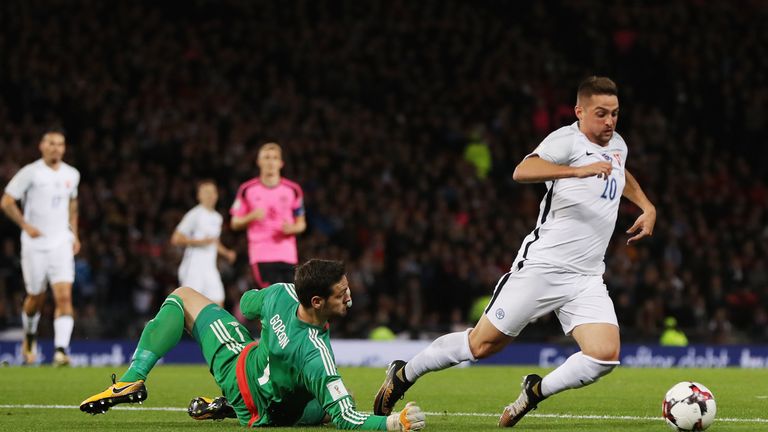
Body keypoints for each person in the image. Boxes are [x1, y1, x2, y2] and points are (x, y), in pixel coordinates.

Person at [373, 76, 657, 428]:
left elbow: (621, 170)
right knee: (480, 346)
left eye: (615, 114)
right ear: (580, 111)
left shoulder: (617, 144)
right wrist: (576, 172)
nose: (610, 122)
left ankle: (536, 391)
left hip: (586, 276)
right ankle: (403, 374)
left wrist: (646, 205)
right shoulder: (565, 140)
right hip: (541, 267)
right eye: (601, 114)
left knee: (604, 355)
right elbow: (523, 170)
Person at [80, 259, 426, 431]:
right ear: (318, 301)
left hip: (241, 362)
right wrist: (396, 423)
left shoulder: (281, 293)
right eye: (342, 293)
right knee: (326, 406)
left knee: (182, 297)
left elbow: (246, 304)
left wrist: (267, 314)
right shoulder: (315, 356)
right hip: (259, 401)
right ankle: (231, 404)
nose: (350, 295)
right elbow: (346, 417)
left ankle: (134, 376)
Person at [1, 130, 81, 366]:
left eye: (60, 144)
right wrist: (25, 225)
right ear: (42, 146)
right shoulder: (31, 172)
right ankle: (30, 335)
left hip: (61, 243)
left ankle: (61, 351)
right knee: (36, 297)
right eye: (51, 144)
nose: (56, 148)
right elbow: (6, 201)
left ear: (64, 148)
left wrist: (74, 234)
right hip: (35, 245)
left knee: (64, 296)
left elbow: (72, 204)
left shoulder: (72, 174)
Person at [230, 142, 306, 288]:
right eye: (266, 157)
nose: (270, 162)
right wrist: (251, 216)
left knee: (291, 297)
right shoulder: (247, 189)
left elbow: (301, 223)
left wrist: (292, 228)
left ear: (281, 163)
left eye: (274, 158)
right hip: (262, 254)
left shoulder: (293, 190)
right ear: (259, 162)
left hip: (288, 254)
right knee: (272, 297)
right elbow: (235, 222)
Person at [171, 179, 236, 307]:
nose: (209, 195)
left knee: (218, 304)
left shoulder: (217, 217)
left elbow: (214, 242)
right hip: (193, 268)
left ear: (217, 195)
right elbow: (176, 238)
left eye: (212, 192)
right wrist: (200, 242)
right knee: (190, 306)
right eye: (206, 192)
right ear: (199, 196)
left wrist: (227, 253)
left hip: (210, 268)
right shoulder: (194, 214)